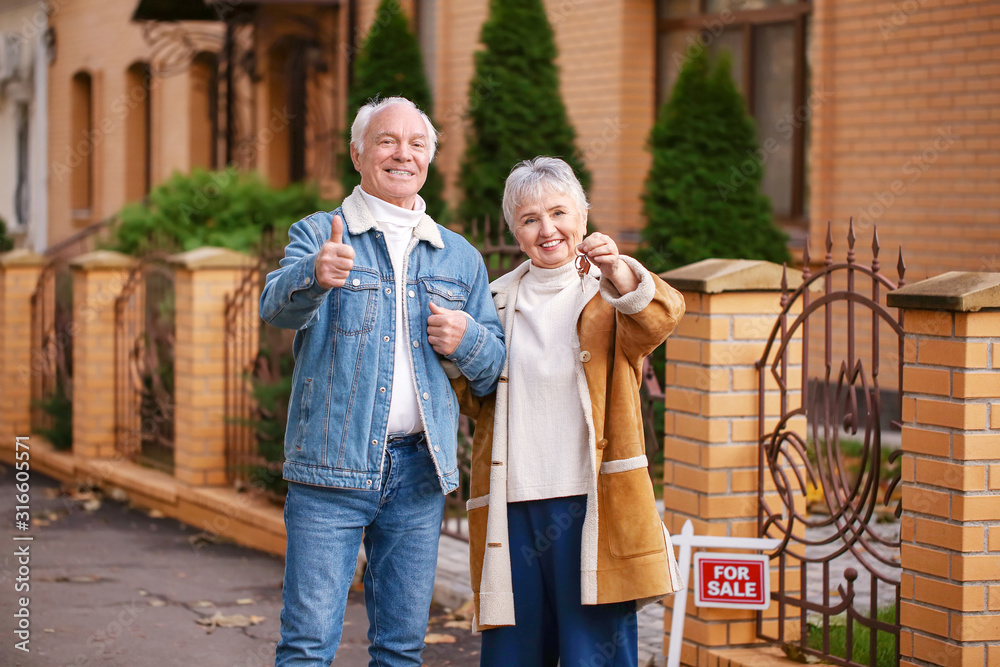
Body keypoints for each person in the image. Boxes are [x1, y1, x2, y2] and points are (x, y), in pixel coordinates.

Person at [259, 97, 505, 667]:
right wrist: (314, 275)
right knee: (306, 646)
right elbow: (276, 309)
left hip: (420, 474)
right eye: (387, 141)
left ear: (429, 159)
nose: (403, 154)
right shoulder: (320, 233)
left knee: (400, 650)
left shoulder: (459, 257)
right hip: (330, 468)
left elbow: (493, 373)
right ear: (358, 154)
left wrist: (467, 338)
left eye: (417, 144)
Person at [452, 157, 686, 666]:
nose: (547, 228)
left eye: (559, 212)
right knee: (513, 656)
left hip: (592, 505)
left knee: (592, 656)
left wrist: (621, 270)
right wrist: (460, 346)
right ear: (515, 230)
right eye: (530, 218)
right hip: (510, 508)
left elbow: (659, 321)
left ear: (582, 216)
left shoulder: (608, 295)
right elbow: (474, 400)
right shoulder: (495, 300)